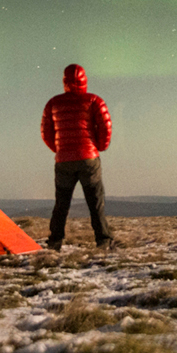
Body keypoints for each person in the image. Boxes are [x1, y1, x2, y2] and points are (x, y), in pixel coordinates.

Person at [42, 63, 116, 250]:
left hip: (64, 161)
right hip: (88, 159)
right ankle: (103, 241)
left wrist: (59, 149)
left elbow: (46, 132)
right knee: (95, 201)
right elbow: (106, 126)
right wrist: (100, 147)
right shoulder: (94, 101)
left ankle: (55, 242)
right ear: (85, 80)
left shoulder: (53, 103)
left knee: (62, 203)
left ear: (64, 81)